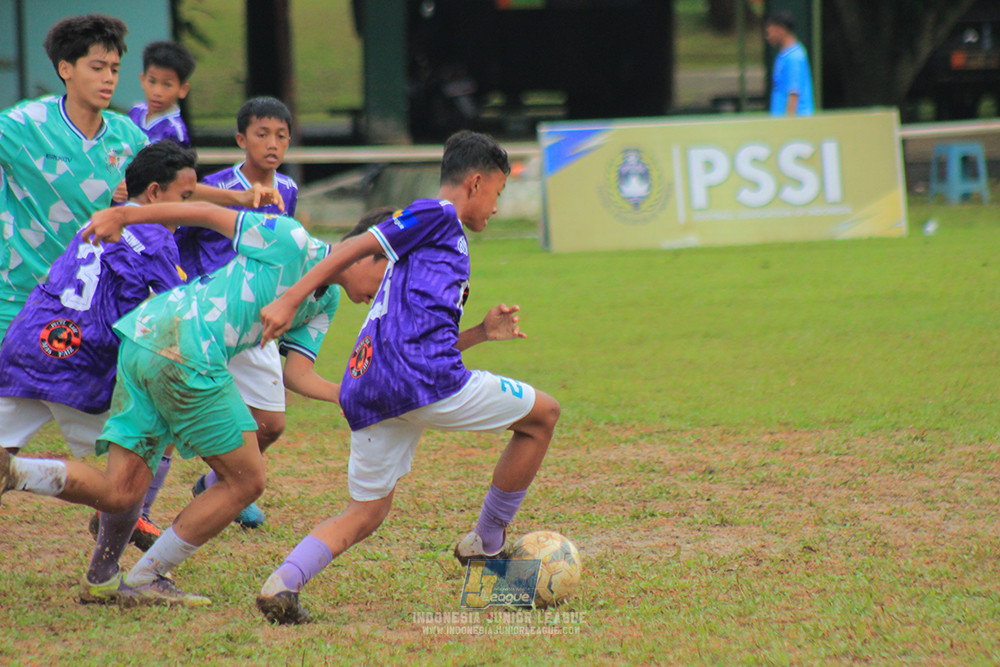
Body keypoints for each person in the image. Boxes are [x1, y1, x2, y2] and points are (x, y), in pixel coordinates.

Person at [0, 197, 395, 607]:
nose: (383, 295)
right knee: (246, 481)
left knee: (121, 491)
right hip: (187, 350)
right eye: (390, 278)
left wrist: (349, 395)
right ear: (370, 254)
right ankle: (149, 575)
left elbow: (297, 373)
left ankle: (18, 474)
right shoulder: (292, 240)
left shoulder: (324, 300)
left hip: (146, 337)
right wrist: (124, 215)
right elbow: (204, 213)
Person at [252, 130, 561, 625]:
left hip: (373, 387)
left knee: (365, 513)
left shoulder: (429, 247)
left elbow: (419, 340)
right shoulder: (438, 214)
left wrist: (480, 331)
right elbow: (354, 246)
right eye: (498, 193)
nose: (498, 207)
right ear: (476, 182)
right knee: (544, 415)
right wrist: (291, 299)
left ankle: (282, 583)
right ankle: (486, 543)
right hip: (420, 381)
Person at [0, 15, 284, 343]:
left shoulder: (127, 136)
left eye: (115, 69)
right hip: (17, 298)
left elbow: (176, 190)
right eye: (97, 67)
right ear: (66, 69)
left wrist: (239, 198)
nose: (109, 78)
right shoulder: (23, 125)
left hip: (87, 300)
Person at [0, 141, 195, 600]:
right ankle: (103, 577)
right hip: (83, 363)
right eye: (185, 197)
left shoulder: (101, 217)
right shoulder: (156, 239)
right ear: (153, 192)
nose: (191, 208)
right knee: (133, 475)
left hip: (28, 345)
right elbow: (176, 315)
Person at [174, 96, 299, 529]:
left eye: (281, 135)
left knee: (271, 424)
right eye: (262, 134)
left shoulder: (288, 190)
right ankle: (137, 511)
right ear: (241, 138)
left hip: (253, 317)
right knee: (175, 419)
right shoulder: (216, 186)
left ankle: (213, 481)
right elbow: (179, 226)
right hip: (205, 313)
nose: (272, 143)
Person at [127, 41, 196, 147]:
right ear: (142, 80)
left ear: (183, 89)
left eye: (167, 85)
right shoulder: (135, 112)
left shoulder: (175, 131)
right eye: (152, 81)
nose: (157, 92)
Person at [765, 11, 814, 117]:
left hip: (795, 123)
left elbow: (793, 94)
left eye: (770, 32)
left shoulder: (794, 57)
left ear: (781, 30)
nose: (768, 37)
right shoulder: (784, 55)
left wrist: (788, 124)